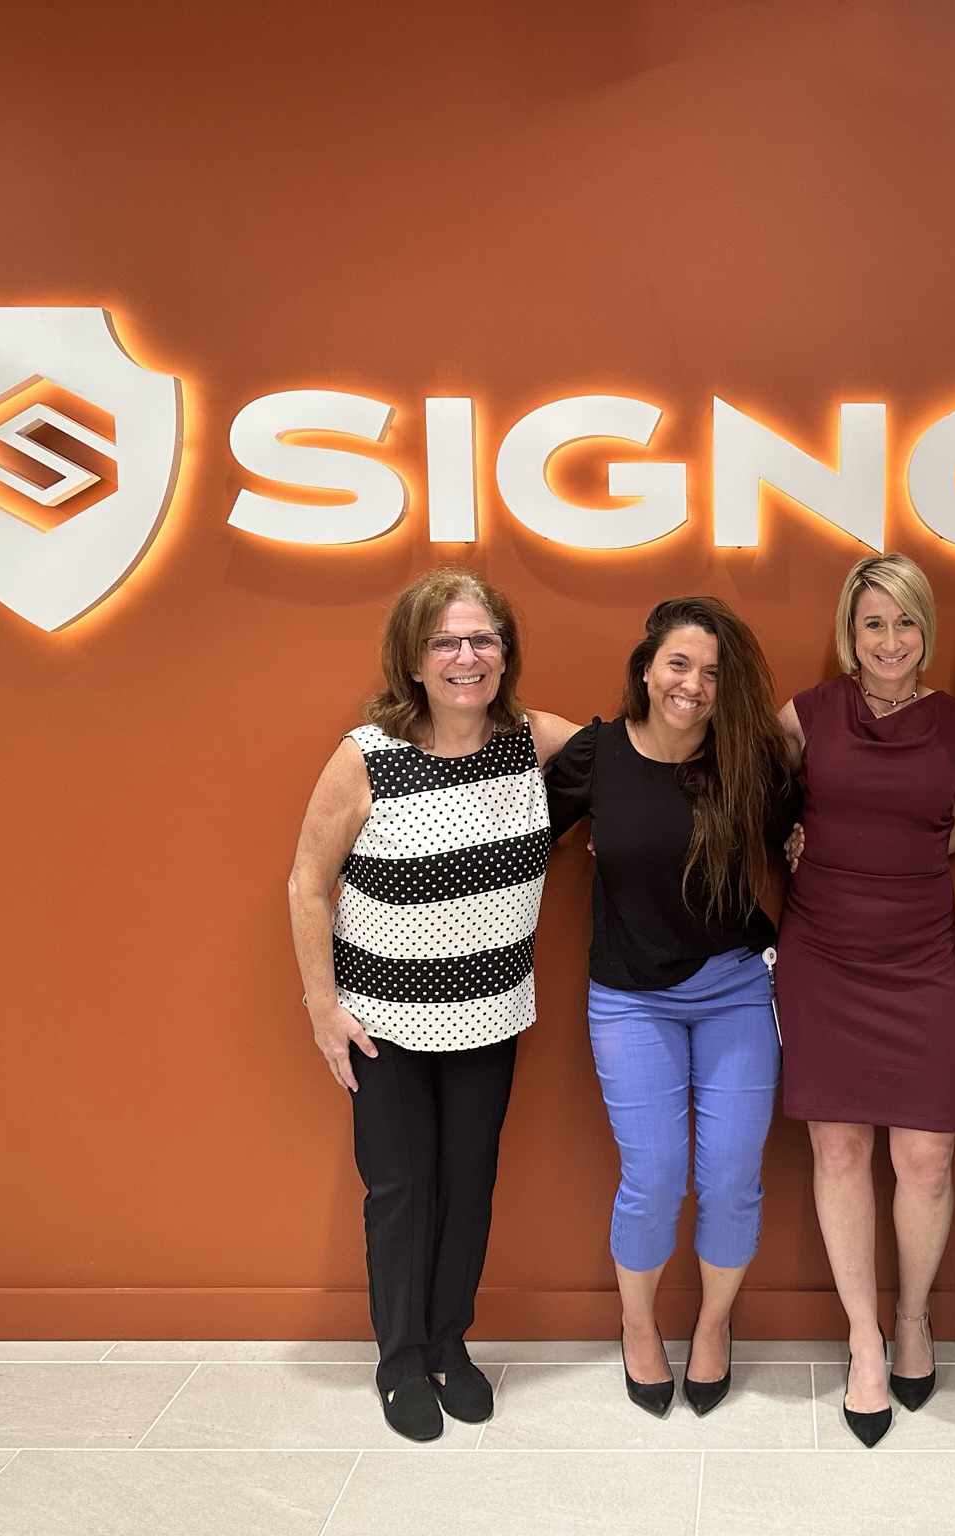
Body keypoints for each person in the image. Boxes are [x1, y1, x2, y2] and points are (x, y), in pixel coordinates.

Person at [287, 568, 577, 1443]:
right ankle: (399, 1360)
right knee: (402, 1191)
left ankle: (451, 1344)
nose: (465, 656)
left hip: (491, 1014)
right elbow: (308, 885)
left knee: (470, 1184)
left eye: (482, 639)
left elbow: (643, 762)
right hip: (385, 1024)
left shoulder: (533, 739)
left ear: (505, 652)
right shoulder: (367, 752)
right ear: (413, 660)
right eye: (445, 642)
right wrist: (321, 1008)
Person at [545, 596, 796, 1419]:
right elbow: (516, 841)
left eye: (714, 672)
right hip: (628, 1001)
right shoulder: (597, 756)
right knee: (653, 1177)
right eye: (679, 664)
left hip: (734, 991)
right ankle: (639, 1325)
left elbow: (815, 841)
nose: (694, 684)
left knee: (729, 1180)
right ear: (647, 669)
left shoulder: (750, 764)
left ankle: (715, 1325)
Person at [773, 554, 955, 1448]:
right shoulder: (807, 714)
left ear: (925, 632)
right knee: (838, 1149)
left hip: (919, 961)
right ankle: (864, 1340)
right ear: (849, 633)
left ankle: (912, 1317)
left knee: (928, 1159)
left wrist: (932, 844)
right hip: (822, 952)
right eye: (873, 624)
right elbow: (746, 793)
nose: (890, 640)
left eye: (905, 623)